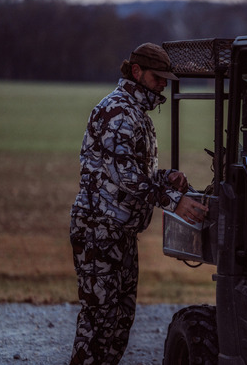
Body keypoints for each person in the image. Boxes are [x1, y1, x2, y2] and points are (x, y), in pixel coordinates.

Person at [68, 42, 208, 365]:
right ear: (137, 72)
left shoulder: (137, 115)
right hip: (98, 233)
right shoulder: (117, 112)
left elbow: (134, 173)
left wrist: (167, 178)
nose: (162, 85)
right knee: (97, 325)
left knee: (119, 323)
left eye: (165, 80)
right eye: (158, 78)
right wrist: (174, 201)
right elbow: (126, 176)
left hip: (120, 235)